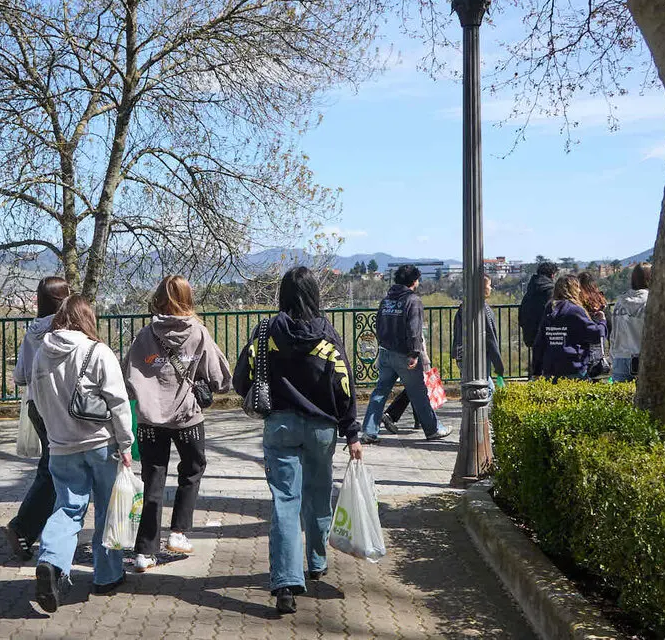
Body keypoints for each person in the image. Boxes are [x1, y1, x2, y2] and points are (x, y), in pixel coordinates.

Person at [231, 266, 362, 616]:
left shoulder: (266, 332)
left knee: (285, 503)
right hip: (322, 429)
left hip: (280, 427)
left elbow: (241, 378)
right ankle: (317, 562)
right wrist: (351, 432)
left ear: (283, 296)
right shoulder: (328, 335)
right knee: (319, 495)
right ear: (314, 294)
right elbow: (344, 385)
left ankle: (286, 585)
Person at [29, 295, 133, 612]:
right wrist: (126, 444)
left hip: (61, 447)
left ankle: (51, 560)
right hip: (100, 444)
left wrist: (55, 435)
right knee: (107, 510)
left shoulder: (42, 354)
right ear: (88, 318)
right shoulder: (98, 351)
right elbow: (118, 402)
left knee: (67, 509)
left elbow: (36, 399)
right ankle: (107, 576)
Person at [123, 276, 232, 572]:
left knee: (152, 481)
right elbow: (221, 378)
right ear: (188, 299)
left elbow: (127, 375)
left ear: (158, 299)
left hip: (149, 421)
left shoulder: (145, 335)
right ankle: (179, 533)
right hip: (187, 418)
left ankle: (145, 551)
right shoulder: (197, 333)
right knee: (193, 470)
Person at [5, 276, 71, 561]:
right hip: (57, 406)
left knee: (53, 467)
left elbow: (19, 375)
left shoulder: (32, 331)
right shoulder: (64, 330)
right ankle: (24, 527)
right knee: (54, 469)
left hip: (35, 405)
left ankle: (36, 527)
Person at [360, 264, 450, 444]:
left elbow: (378, 325)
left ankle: (369, 431)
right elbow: (414, 330)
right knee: (418, 393)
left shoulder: (386, 300)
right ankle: (433, 429)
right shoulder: (412, 300)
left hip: (385, 352)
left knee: (380, 393)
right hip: (404, 355)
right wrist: (415, 353)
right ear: (414, 281)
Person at [532, 274, 606, 381]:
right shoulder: (575, 310)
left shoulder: (549, 309)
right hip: (574, 368)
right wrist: (602, 322)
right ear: (574, 290)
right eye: (578, 288)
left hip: (550, 369)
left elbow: (539, 343)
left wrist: (536, 370)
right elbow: (595, 335)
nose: (580, 291)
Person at [452, 274, 505, 388]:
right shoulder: (482, 309)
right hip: (478, 356)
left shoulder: (465, 306)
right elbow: (490, 337)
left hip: (463, 355)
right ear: (482, 288)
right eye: (489, 285)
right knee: (484, 389)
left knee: (478, 386)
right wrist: (499, 365)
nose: (491, 289)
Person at [610, 262, 651, 382]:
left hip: (619, 357)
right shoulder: (651, 300)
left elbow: (614, 332)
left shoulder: (620, 302)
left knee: (620, 399)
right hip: (641, 357)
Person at [518, 261, 558, 368]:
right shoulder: (551, 291)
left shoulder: (530, 290)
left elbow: (521, 313)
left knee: (537, 364)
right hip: (548, 335)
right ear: (552, 275)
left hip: (530, 334)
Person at [577, 272, 609, 377]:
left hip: (582, 348)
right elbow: (609, 324)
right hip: (599, 345)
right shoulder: (601, 301)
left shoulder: (577, 303)